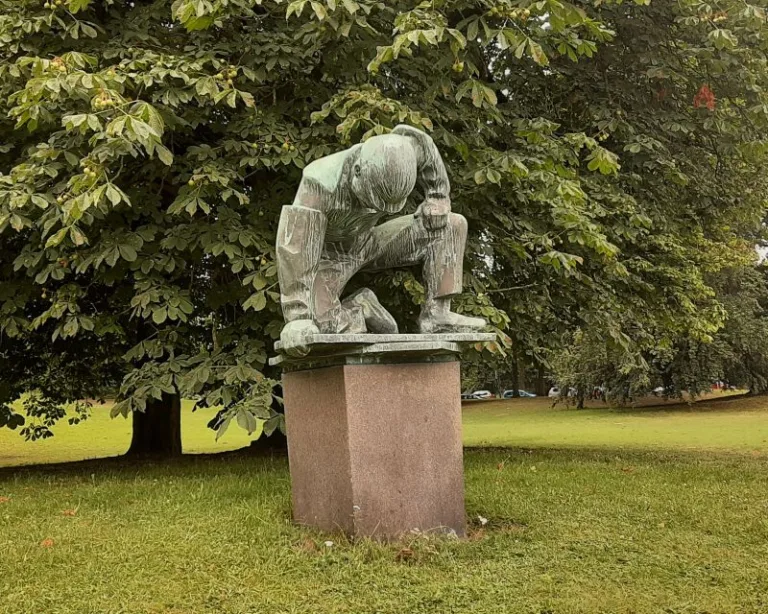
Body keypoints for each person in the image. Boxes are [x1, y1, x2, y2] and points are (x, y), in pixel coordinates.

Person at [276, 125, 486, 357]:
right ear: (357, 171)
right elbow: (295, 248)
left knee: (450, 225)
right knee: (321, 328)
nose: (377, 209)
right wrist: (297, 318)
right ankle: (361, 306)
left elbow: (421, 142)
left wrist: (437, 196)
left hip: (369, 241)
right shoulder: (319, 183)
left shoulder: (402, 148)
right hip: (330, 257)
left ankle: (438, 314)